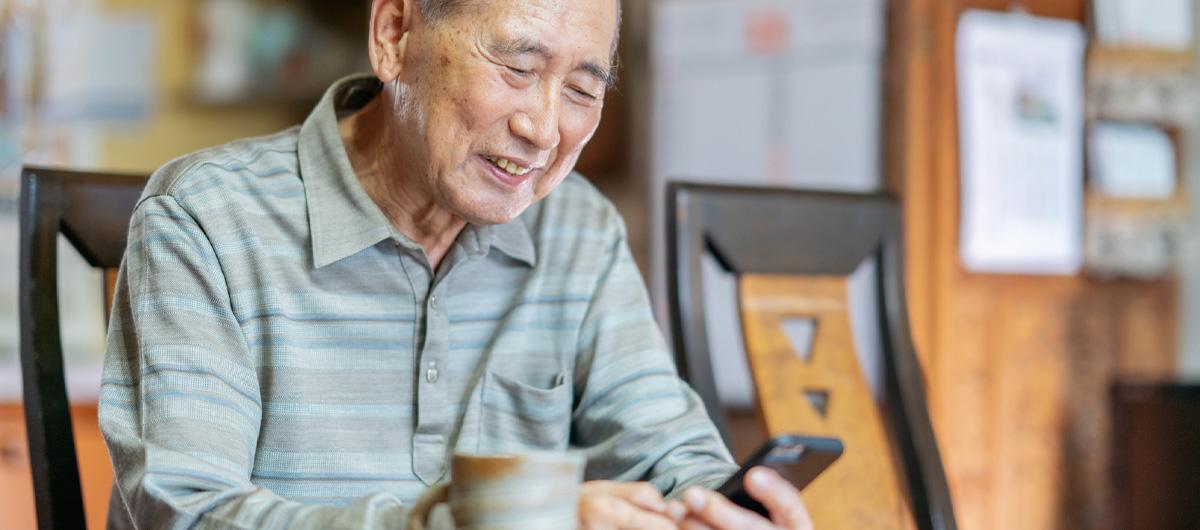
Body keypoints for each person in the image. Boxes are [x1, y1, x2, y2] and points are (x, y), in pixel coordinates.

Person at [98, 0, 813, 528]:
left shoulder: (578, 231)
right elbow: (188, 514)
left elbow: (666, 450)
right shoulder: (206, 220)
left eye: (581, 91)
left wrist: (721, 507)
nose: (541, 127)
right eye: (516, 67)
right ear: (395, 35)